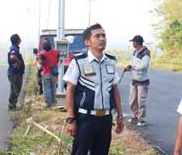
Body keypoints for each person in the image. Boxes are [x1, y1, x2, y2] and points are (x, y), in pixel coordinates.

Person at [63, 23, 125, 155]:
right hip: (85, 119)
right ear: (87, 42)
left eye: (103, 35)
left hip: (105, 119)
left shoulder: (111, 62)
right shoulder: (79, 62)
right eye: (97, 36)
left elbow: (115, 90)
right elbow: (70, 91)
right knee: (80, 152)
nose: (102, 39)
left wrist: (120, 115)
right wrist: (70, 119)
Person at [123, 34, 151, 126]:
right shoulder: (135, 52)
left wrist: (133, 67)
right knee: (132, 99)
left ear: (137, 42)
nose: (133, 43)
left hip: (142, 80)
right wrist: (129, 67)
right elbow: (133, 63)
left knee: (141, 101)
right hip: (134, 79)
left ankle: (141, 119)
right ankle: (134, 116)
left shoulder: (145, 53)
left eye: (133, 42)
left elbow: (144, 65)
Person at [7, 34, 25, 111]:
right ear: (17, 40)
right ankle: (12, 105)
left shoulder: (15, 48)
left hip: (16, 73)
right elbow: (12, 56)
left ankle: (13, 104)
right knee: (15, 89)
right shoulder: (14, 49)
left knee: (16, 88)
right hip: (15, 73)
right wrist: (19, 62)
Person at [39, 40, 59, 107]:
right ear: (50, 45)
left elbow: (42, 63)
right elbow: (57, 61)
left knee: (47, 89)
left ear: (43, 46)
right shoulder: (56, 52)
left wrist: (39, 60)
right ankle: (54, 102)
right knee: (54, 88)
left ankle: (49, 104)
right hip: (54, 73)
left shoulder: (42, 53)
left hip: (46, 72)